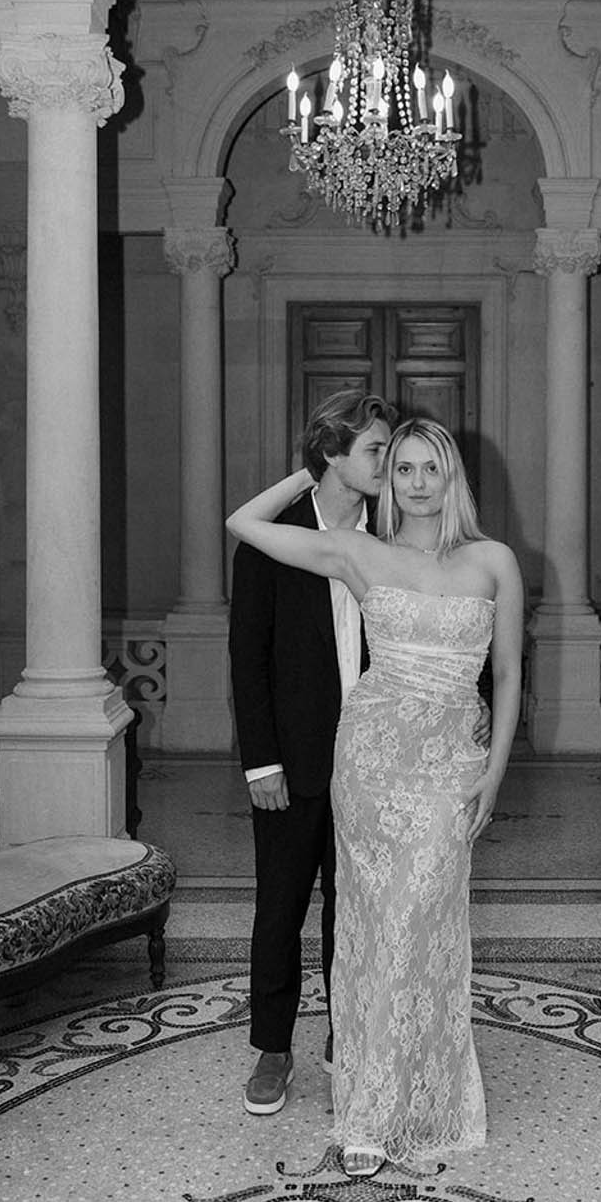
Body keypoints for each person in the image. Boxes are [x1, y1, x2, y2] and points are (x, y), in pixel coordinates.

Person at [226, 416, 524, 1176]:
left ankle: (421, 1093)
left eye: (431, 469)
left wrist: (492, 773)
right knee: (373, 926)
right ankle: (368, 1109)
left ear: (452, 478)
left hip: (451, 765)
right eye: (402, 469)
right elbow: (242, 523)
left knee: (423, 922)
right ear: (384, 481)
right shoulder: (360, 553)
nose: (417, 483)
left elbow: (511, 676)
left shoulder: (495, 563)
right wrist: (308, 470)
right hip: (371, 761)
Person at [228, 389, 394, 1118]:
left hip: (373, 763)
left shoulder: (397, 538)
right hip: (290, 762)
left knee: (355, 911)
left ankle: (344, 1038)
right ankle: (272, 1046)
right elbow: (248, 661)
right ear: (332, 456)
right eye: (375, 451)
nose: (388, 464)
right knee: (281, 906)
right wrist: (260, 761)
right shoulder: (273, 538)